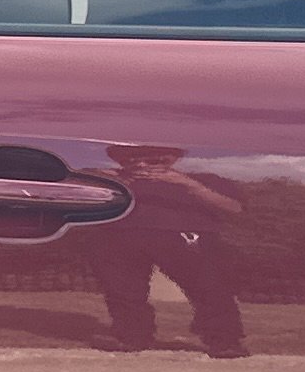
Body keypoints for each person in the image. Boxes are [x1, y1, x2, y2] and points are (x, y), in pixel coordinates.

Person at [87, 141, 249, 359]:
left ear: (171, 160)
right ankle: (131, 336)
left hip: (186, 234)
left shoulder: (202, 179)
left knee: (208, 287)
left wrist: (187, 184)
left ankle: (225, 341)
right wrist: (101, 181)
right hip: (118, 234)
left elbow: (234, 207)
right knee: (122, 290)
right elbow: (74, 197)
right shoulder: (109, 179)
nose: (142, 165)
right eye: (132, 160)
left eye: (152, 160)